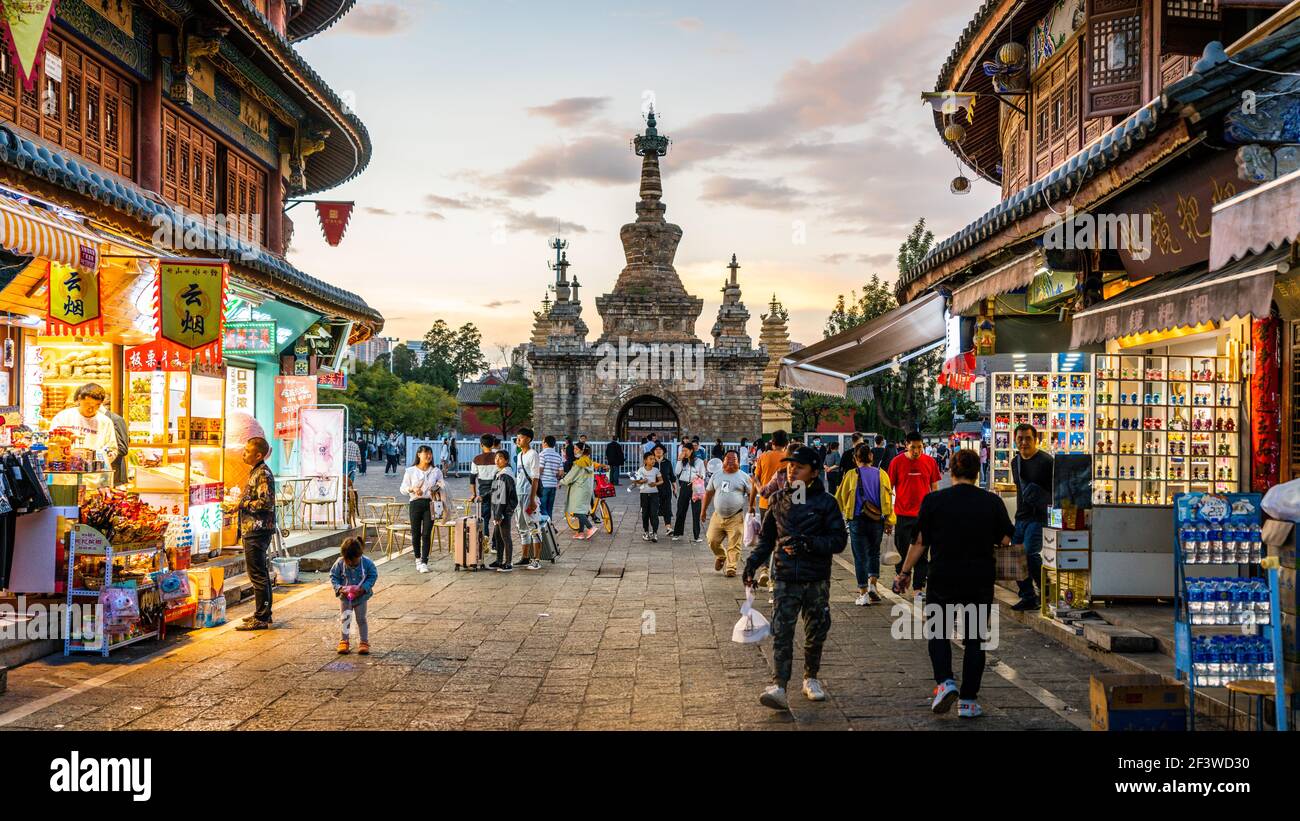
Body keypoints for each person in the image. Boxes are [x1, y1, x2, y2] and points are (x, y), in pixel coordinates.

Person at [898, 449, 1013, 718]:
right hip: (979, 579)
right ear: (977, 473)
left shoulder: (933, 501)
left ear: (951, 470)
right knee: (975, 640)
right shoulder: (991, 502)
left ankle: (945, 683)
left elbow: (919, 543)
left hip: (943, 578)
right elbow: (1006, 539)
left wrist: (904, 573)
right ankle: (969, 701)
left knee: (938, 632)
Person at [743, 446, 848, 710]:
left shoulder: (827, 503)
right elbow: (767, 540)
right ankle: (779, 685)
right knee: (782, 632)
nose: (791, 470)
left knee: (816, 630)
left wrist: (809, 544)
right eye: (790, 466)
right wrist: (752, 564)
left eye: (798, 467)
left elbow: (838, 541)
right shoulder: (778, 499)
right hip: (785, 578)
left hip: (816, 580)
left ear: (814, 472)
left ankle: (811, 678)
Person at [834, 445, 895, 605]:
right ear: (871, 457)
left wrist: (835, 518)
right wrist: (889, 520)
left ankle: (863, 593)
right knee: (874, 552)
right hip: (877, 519)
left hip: (857, 519)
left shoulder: (850, 475)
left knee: (860, 556)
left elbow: (839, 498)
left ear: (855, 459)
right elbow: (888, 500)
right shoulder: (882, 474)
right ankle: (873, 584)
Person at [887, 431, 942, 599]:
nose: (917, 451)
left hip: (923, 515)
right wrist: (888, 513)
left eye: (920, 447)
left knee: (922, 554)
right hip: (902, 514)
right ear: (906, 445)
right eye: (913, 447)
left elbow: (934, 487)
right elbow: (889, 488)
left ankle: (918, 588)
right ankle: (902, 577)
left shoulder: (930, 462)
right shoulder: (896, 462)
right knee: (903, 550)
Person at [229, 437, 276, 630]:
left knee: (258, 574)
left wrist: (243, 504)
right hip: (253, 528)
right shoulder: (256, 472)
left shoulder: (263, 473)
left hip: (258, 529)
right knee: (259, 573)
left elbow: (266, 502)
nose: (244, 453)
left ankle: (262, 617)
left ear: (258, 455)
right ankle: (263, 614)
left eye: (247, 451)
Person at [1010, 423, 1052, 611]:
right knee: (1014, 557)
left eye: (1028, 438)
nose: (1024, 442)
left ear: (1036, 440)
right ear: (1015, 440)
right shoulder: (1015, 462)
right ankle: (1028, 596)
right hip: (1021, 516)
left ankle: (1046, 589)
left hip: (1039, 517)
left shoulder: (1046, 461)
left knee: (1029, 552)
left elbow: (1056, 491)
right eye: (1020, 438)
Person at [701, 450, 754, 577]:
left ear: (739, 462)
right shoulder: (716, 475)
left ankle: (731, 567)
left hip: (736, 516)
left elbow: (751, 493)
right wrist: (703, 511)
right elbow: (708, 493)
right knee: (712, 540)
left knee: (734, 543)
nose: (730, 462)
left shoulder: (744, 477)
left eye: (733, 460)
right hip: (717, 515)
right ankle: (721, 555)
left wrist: (752, 507)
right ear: (723, 461)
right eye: (728, 459)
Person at [50, 383, 119, 464]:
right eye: (88, 404)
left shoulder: (106, 422)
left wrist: (95, 459)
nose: (91, 409)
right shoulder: (63, 417)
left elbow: (112, 449)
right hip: (67, 473)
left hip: (93, 474)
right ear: (79, 399)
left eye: (97, 405)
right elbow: (52, 444)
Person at [331, 536, 378, 654]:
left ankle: (364, 642)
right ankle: (344, 641)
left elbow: (373, 575)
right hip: (345, 598)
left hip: (361, 597)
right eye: (349, 561)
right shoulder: (339, 563)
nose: (352, 563)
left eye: (354, 561)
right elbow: (333, 576)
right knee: (345, 618)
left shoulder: (367, 563)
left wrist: (364, 588)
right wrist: (340, 588)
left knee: (361, 619)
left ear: (359, 555)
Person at [400, 445, 442, 574]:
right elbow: (402, 489)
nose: (428, 456)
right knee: (416, 533)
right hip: (415, 504)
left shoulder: (436, 471)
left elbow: (442, 485)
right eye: (426, 453)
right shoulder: (410, 471)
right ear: (419, 455)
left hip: (431, 504)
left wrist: (437, 487)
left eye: (430, 454)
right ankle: (417, 559)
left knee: (427, 533)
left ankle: (424, 561)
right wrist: (412, 489)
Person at [514, 427, 543, 570]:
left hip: (529, 495)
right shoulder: (520, 455)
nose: (518, 440)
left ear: (529, 439)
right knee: (521, 527)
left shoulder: (533, 454)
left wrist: (532, 499)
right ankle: (525, 557)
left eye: (521, 437)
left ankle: (537, 559)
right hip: (519, 494)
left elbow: (535, 478)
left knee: (533, 526)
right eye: (517, 437)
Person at [488, 450, 518, 571]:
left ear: (506, 460)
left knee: (505, 536)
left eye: (500, 458)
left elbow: (501, 498)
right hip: (499, 510)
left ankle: (508, 562)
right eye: (496, 458)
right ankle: (499, 560)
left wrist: (498, 515)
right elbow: (495, 493)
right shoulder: (500, 473)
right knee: (497, 535)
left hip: (503, 511)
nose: (497, 460)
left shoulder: (505, 475)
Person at [672, 442, 706, 543]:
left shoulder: (699, 461)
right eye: (682, 450)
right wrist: (679, 460)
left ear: (691, 451)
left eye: (685, 450)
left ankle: (696, 535)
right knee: (681, 510)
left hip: (696, 487)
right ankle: (677, 532)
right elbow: (677, 472)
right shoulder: (682, 461)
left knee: (696, 511)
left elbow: (703, 474)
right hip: (684, 486)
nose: (684, 452)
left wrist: (701, 476)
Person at [469, 434, 498, 550]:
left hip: (483, 491)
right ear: (493, 444)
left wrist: (474, 494)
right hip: (497, 489)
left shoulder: (477, 459)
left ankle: (485, 541)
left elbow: (472, 478)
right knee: (497, 517)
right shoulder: (498, 457)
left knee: (485, 517)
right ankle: (495, 545)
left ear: (481, 445)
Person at [560, 447, 597, 540]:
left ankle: (590, 527)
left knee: (576, 511)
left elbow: (571, 476)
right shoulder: (589, 462)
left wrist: (561, 482)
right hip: (587, 489)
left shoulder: (579, 464)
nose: (574, 451)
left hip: (579, 490)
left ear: (581, 451)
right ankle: (580, 532)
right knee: (582, 511)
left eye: (576, 449)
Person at [752, 430, 788, 514]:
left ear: (773, 443)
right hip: (785, 504)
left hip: (765, 503)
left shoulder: (763, 456)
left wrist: (751, 505)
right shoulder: (791, 458)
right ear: (787, 443)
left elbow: (756, 480)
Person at [632, 451, 663, 541]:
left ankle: (655, 533)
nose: (653, 461)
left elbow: (661, 481)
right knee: (645, 514)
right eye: (651, 459)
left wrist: (655, 483)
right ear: (645, 460)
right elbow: (635, 481)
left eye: (654, 459)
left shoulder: (656, 470)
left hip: (654, 495)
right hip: (644, 495)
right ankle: (646, 532)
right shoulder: (641, 470)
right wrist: (641, 481)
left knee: (654, 514)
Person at [539, 435, 564, 521]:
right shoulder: (558, 456)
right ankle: (550, 526)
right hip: (553, 485)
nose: (542, 444)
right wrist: (554, 474)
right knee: (549, 507)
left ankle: (547, 525)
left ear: (545, 443)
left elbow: (540, 470)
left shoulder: (542, 454)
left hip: (543, 485)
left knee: (542, 507)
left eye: (542, 442)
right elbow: (561, 473)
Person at [652, 443, 675, 535]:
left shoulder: (668, 462)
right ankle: (654, 529)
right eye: (656, 449)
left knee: (667, 507)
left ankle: (668, 527)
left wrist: (675, 487)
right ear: (653, 451)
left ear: (663, 452)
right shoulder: (651, 462)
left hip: (666, 488)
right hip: (654, 488)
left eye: (660, 449)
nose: (658, 451)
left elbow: (672, 476)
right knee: (654, 508)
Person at [106, 407, 128, 487]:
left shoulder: (115, 420)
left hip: (115, 476)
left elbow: (122, 448)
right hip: (101, 476)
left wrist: (102, 456)